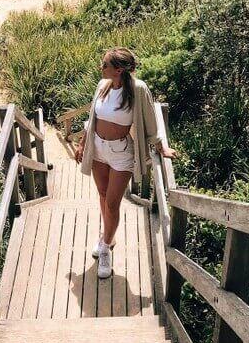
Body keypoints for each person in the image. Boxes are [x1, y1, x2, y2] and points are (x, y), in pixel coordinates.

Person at [74, 47, 176, 279]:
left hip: (121, 153)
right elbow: (93, 118)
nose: (101, 68)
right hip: (98, 148)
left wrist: (162, 147)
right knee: (102, 195)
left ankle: (106, 247)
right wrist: (82, 144)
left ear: (118, 70)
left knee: (112, 204)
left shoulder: (138, 90)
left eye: (105, 65)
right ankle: (107, 236)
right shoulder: (103, 86)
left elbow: (150, 122)